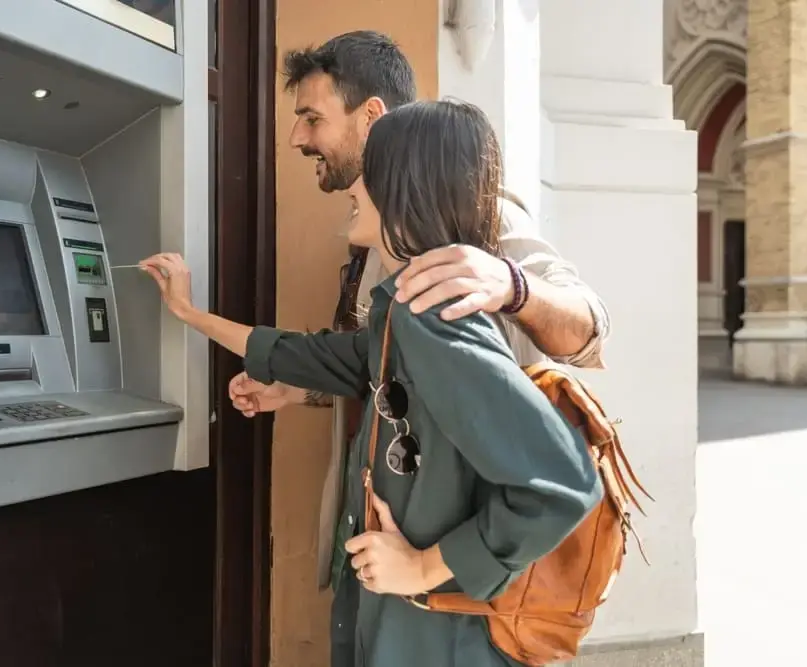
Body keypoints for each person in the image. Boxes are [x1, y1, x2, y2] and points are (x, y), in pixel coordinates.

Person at [140, 99, 601, 667]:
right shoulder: (399, 311)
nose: (354, 184)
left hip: (437, 642)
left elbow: (563, 484)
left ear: (402, 188)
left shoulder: (432, 317)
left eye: (370, 168)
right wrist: (191, 315)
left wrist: (425, 566)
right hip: (401, 626)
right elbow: (309, 355)